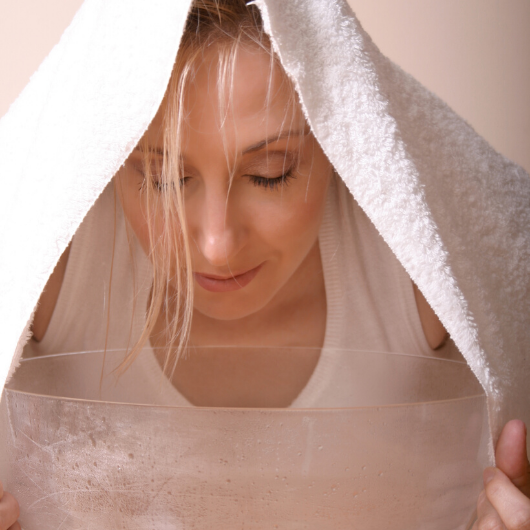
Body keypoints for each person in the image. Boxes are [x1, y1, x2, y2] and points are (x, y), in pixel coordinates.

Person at [0, 1, 528, 528]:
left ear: (339, 139)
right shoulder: (47, 275)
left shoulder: (423, 281)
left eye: (269, 174)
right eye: (163, 179)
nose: (216, 245)